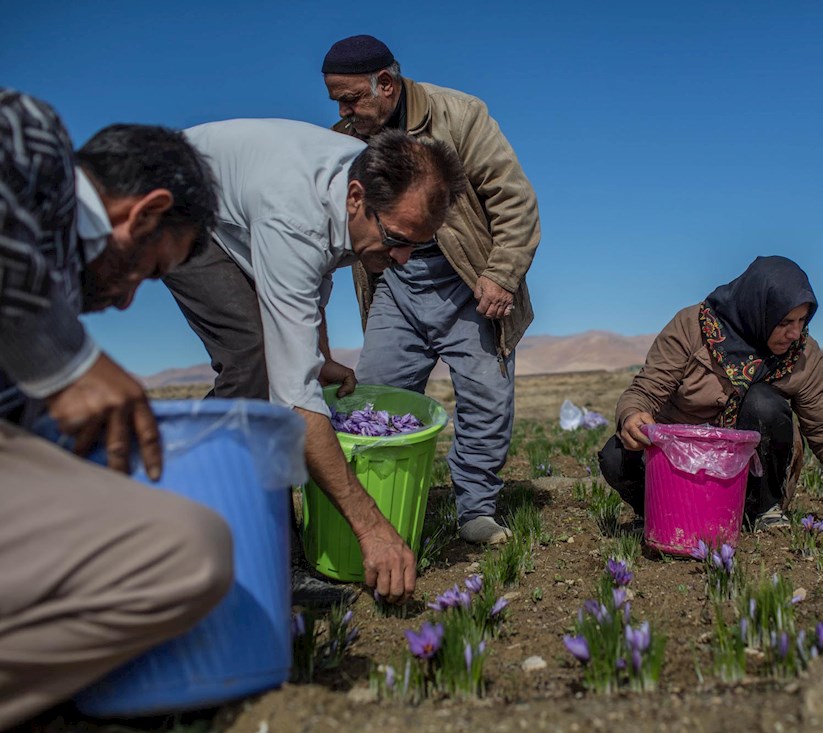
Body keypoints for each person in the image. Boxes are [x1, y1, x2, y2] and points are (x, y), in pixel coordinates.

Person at [0, 90, 232, 728]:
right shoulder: (32, 136)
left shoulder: (63, 280)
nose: (128, 303)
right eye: (148, 272)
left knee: (181, 546)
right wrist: (64, 360)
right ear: (146, 211)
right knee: (187, 552)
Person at [162, 121, 466, 604]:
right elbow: (294, 398)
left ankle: (213, 496)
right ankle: (237, 540)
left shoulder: (362, 195)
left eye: (417, 244)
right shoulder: (295, 216)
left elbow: (314, 282)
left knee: (268, 375)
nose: (404, 259)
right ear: (355, 199)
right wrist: (373, 531)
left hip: (243, 214)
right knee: (251, 363)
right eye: (396, 238)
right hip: (181, 203)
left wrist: (319, 357)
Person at [322, 35, 541, 545]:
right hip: (395, 285)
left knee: (486, 398)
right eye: (336, 100)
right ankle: (379, 512)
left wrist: (502, 273)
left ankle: (476, 511)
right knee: (376, 397)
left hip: (467, 279)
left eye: (352, 98)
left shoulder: (458, 116)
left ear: (388, 84)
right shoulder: (343, 140)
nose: (343, 110)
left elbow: (514, 201)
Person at [598, 256, 823, 529]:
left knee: (763, 402)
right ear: (756, 309)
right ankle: (665, 511)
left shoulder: (803, 355)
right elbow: (645, 390)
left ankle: (763, 509)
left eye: (802, 320)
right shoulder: (692, 328)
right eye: (784, 322)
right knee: (616, 456)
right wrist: (632, 416)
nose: (794, 333)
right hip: (682, 465)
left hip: (749, 473)